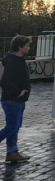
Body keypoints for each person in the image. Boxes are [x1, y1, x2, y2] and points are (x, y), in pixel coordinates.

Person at [0, 35, 31, 163]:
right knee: (12, 126)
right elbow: (5, 81)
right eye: (27, 45)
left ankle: (12, 151)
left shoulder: (18, 60)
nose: (29, 47)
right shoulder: (13, 62)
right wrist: (19, 92)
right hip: (12, 100)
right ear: (20, 47)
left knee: (15, 126)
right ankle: (12, 151)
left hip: (18, 100)